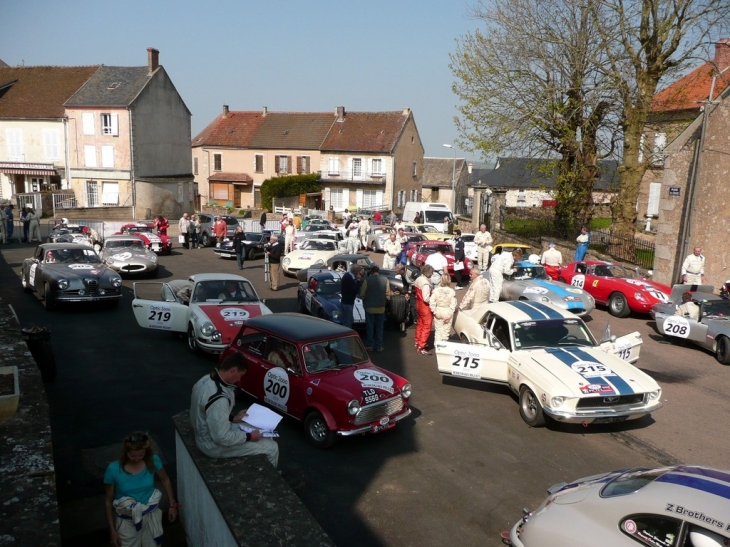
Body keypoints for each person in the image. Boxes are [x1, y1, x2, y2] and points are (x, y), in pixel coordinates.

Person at [190, 352, 279, 467]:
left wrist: (233, 418)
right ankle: (268, 481)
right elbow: (221, 438)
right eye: (240, 375)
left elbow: (210, 414)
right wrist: (249, 437)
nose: (239, 379)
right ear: (233, 370)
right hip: (211, 445)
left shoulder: (206, 379)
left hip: (205, 434)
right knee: (272, 448)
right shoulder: (219, 399)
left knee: (265, 433)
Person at [104, 432, 178, 547]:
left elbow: (165, 480)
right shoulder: (113, 469)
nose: (137, 459)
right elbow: (108, 501)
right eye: (133, 456)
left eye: (141, 455)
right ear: (126, 452)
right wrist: (112, 531)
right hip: (127, 521)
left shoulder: (153, 460)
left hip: (150, 517)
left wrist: (172, 505)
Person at [360, 265, 391, 352]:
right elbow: (388, 295)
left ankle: (370, 345)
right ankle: (379, 346)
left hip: (369, 307)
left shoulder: (367, 280)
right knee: (379, 327)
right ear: (378, 271)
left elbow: (362, 293)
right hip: (381, 307)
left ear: (371, 272)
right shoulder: (385, 280)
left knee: (370, 327)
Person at [430, 274, 457, 343]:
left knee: (438, 331)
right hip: (447, 311)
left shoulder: (436, 290)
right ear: (449, 281)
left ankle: (437, 348)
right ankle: (443, 349)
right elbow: (453, 304)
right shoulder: (451, 291)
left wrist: (435, 312)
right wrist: (449, 315)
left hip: (438, 311)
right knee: (445, 333)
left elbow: (431, 301)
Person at [414, 264, 434, 354]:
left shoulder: (418, 279)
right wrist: (433, 300)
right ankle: (421, 346)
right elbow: (426, 298)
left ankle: (417, 342)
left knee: (420, 324)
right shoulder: (425, 283)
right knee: (427, 326)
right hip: (425, 307)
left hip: (418, 304)